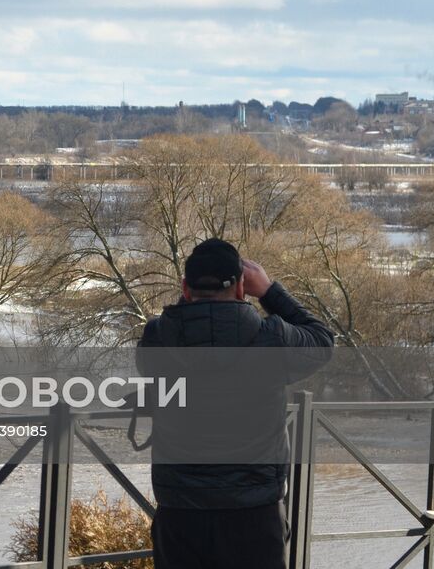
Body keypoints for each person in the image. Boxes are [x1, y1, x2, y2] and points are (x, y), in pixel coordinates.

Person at [137, 237, 333, 569]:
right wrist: (270, 291)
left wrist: (193, 302)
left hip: (181, 513)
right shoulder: (271, 339)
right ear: (243, 287)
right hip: (255, 515)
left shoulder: (157, 338)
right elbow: (322, 341)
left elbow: (184, 328)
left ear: (185, 288)